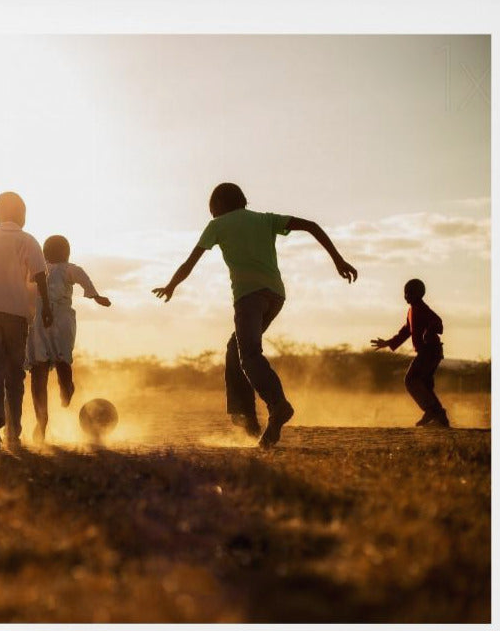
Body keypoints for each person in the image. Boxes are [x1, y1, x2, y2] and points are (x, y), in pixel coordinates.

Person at [153, 182, 358, 448]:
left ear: (216, 207)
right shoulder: (265, 220)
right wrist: (338, 260)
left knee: (249, 356)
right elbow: (312, 225)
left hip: (249, 298)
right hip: (275, 297)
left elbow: (190, 262)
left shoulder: (218, 225)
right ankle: (248, 420)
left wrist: (171, 286)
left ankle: (277, 405)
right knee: (234, 348)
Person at [0, 192, 53, 458]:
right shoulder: (27, 240)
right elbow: (40, 275)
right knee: (14, 375)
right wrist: (47, 307)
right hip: (16, 316)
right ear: (23, 216)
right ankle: (12, 433)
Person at [26, 235, 112, 444]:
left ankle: (66, 387)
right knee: (41, 369)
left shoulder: (68, 269)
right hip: (39, 321)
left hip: (57, 320)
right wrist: (96, 296)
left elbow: (84, 280)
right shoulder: (38, 271)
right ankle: (42, 420)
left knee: (57, 362)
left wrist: (95, 295)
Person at [370, 278, 449, 427]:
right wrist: (388, 342)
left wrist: (429, 331)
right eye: (405, 293)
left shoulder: (422, 308)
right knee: (424, 384)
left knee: (411, 380)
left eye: (409, 293)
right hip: (430, 352)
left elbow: (437, 322)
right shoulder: (412, 310)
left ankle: (432, 411)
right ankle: (440, 417)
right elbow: (406, 331)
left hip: (430, 352)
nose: (405, 296)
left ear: (418, 294)